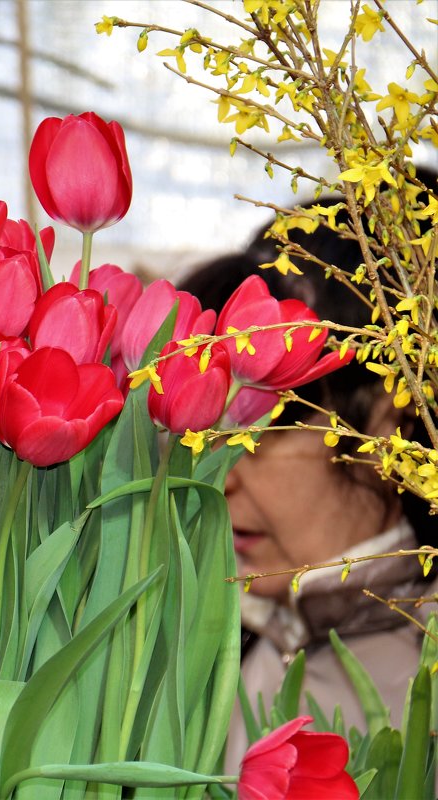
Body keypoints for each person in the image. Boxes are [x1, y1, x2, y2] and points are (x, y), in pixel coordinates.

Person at [178, 178, 437, 771]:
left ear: (385, 412)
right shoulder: (215, 641)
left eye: (259, 426)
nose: (219, 476)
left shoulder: (420, 671)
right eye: (209, 430)